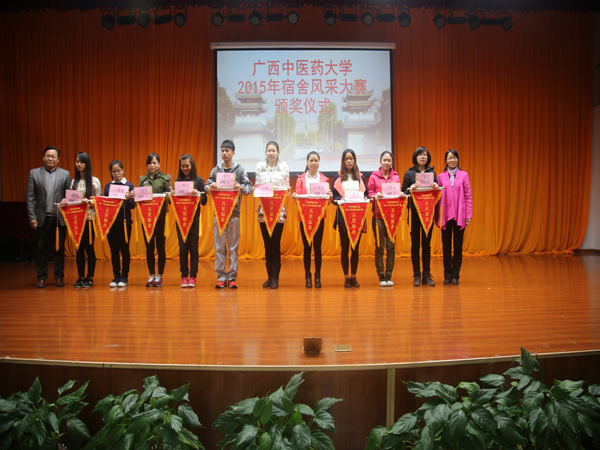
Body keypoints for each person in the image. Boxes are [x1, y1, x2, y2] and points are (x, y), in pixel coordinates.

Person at [205, 140, 253, 289]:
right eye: (222, 150)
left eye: (227, 150)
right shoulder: (216, 170)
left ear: (233, 153)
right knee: (219, 247)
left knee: (233, 247)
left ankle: (232, 277)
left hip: (234, 213)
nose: (224, 153)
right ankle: (221, 277)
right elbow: (206, 187)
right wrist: (211, 186)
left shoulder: (240, 170)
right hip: (218, 214)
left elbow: (249, 188)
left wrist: (240, 187)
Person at [26, 146, 71, 289]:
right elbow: (29, 197)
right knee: (41, 248)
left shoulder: (65, 174)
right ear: (43, 157)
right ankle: (41, 277)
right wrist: (32, 217)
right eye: (48, 156)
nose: (50, 158)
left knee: (59, 248)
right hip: (42, 217)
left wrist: (66, 200)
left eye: (53, 156)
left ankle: (59, 277)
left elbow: (70, 195)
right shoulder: (34, 173)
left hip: (59, 218)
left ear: (58, 159)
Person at [61, 152, 102, 288]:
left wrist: (89, 202)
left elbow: (98, 201)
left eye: (82, 162)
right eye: (77, 161)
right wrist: (65, 201)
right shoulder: (74, 182)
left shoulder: (94, 181)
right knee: (78, 249)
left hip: (89, 219)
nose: (79, 164)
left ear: (87, 163)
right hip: (76, 220)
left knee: (89, 248)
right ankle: (80, 276)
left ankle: (89, 277)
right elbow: (71, 200)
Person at [292, 151, 332, 288]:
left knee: (318, 247)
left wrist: (330, 196)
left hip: (319, 217)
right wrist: (295, 197)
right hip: (304, 218)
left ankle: (318, 276)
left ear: (319, 162)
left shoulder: (324, 179)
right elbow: (297, 201)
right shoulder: (300, 179)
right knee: (307, 248)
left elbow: (328, 202)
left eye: (316, 160)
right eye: (311, 160)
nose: (313, 163)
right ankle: (307, 276)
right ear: (307, 162)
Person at [402, 146, 438, 287]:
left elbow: (437, 192)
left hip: (428, 212)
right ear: (415, 157)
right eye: (420, 155)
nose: (423, 157)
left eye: (425, 155)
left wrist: (436, 185)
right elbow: (404, 193)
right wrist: (410, 189)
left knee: (426, 244)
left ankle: (426, 274)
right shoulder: (409, 173)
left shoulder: (432, 173)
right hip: (414, 213)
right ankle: (416, 274)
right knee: (415, 244)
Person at [255, 141, 289, 290]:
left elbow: (286, 189)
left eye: (273, 151)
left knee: (275, 243)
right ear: (266, 152)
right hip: (264, 210)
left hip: (278, 209)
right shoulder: (260, 167)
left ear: (278, 153)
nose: (271, 153)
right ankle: (269, 277)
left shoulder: (284, 167)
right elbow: (258, 186)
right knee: (267, 244)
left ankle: (276, 278)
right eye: (269, 151)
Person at [332, 149, 369, 288]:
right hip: (343, 216)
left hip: (357, 216)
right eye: (346, 159)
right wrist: (340, 199)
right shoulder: (338, 177)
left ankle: (354, 276)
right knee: (345, 248)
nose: (349, 161)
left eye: (351, 158)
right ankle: (346, 277)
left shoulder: (360, 177)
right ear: (343, 161)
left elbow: (366, 194)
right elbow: (333, 197)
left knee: (355, 248)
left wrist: (365, 198)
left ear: (354, 160)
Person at [134, 153, 171, 287]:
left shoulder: (165, 179)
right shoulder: (143, 180)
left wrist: (168, 195)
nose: (152, 165)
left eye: (154, 163)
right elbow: (138, 197)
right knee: (149, 248)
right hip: (147, 219)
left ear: (159, 164)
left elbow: (170, 200)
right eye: (150, 163)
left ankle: (159, 275)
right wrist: (134, 194)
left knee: (160, 247)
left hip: (160, 218)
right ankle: (151, 275)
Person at [368, 151, 404, 287]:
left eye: (389, 160)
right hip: (378, 217)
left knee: (391, 247)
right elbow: (369, 194)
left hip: (392, 217)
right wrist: (375, 195)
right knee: (379, 247)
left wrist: (401, 194)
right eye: (384, 160)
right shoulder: (373, 177)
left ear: (392, 162)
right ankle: (381, 275)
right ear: (380, 161)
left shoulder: (396, 176)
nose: (387, 163)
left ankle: (389, 274)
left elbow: (399, 192)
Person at [437, 149, 472, 285]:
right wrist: (437, 216)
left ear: (458, 159)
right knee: (446, 247)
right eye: (449, 158)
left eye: (454, 158)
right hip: (445, 215)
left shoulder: (464, 175)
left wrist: (468, 214)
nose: (452, 160)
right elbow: (438, 197)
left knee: (458, 246)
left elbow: (468, 196)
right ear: (445, 161)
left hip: (460, 215)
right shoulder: (440, 177)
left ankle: (456, 275)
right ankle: (447, 275)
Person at [174, 154, 207, 288]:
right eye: (182, 166)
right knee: (182, 248)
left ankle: (193, 276)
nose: (185, 168)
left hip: (194, 219)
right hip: (180, 219)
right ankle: (184, 276)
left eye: (187, 166)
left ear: (192, 165)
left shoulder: (199, 181)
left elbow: (204, 201)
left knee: (193, 248)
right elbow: (174, 201)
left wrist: (198, 194)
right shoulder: (177, 181)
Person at [103, 160, 136, 287]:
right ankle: (116, 276)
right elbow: (104, 204)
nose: (116, 173)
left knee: (125, 249)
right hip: (111, 223)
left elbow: (133, 206)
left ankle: (124, 276)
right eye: (113, 171)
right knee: (114, 250)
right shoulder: (108, 186)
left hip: (125, 222)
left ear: (123, 171)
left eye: (118, 170)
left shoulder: (129, 185)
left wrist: (129, 198)